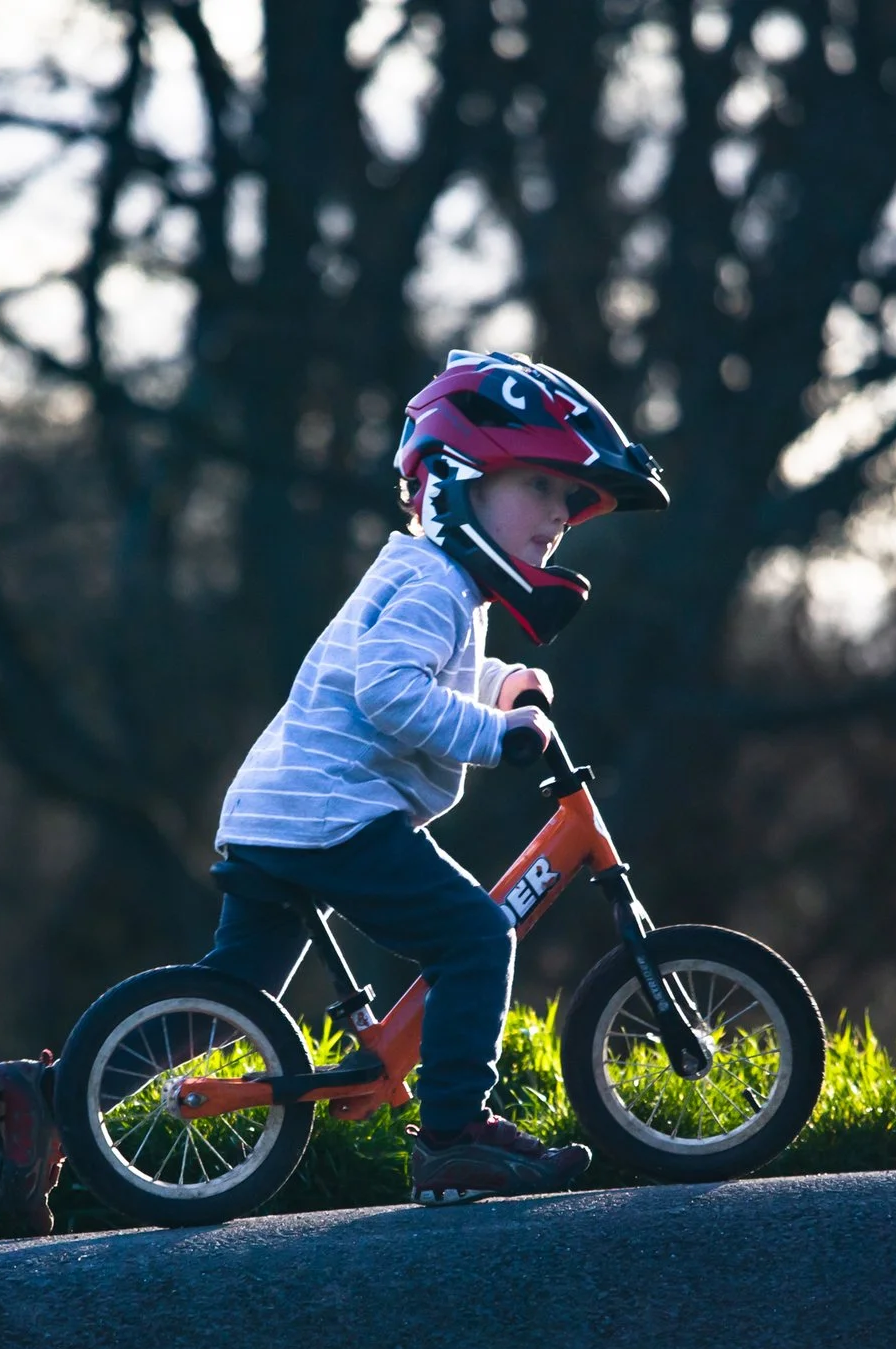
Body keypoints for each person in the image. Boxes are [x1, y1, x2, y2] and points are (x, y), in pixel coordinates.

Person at [203, 349, 670, 1204]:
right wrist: (499, 736)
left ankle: (56, 1097)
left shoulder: (434, 578)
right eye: (541, 485)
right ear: (457, 480)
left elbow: (422, 673)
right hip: (330, 815)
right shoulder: (437, 586)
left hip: (285, 811)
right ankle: (454, 1135)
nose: (559, 516)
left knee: (227, 997)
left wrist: (502, 685)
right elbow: (388, 691)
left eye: (570, 502)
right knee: (476, 936)